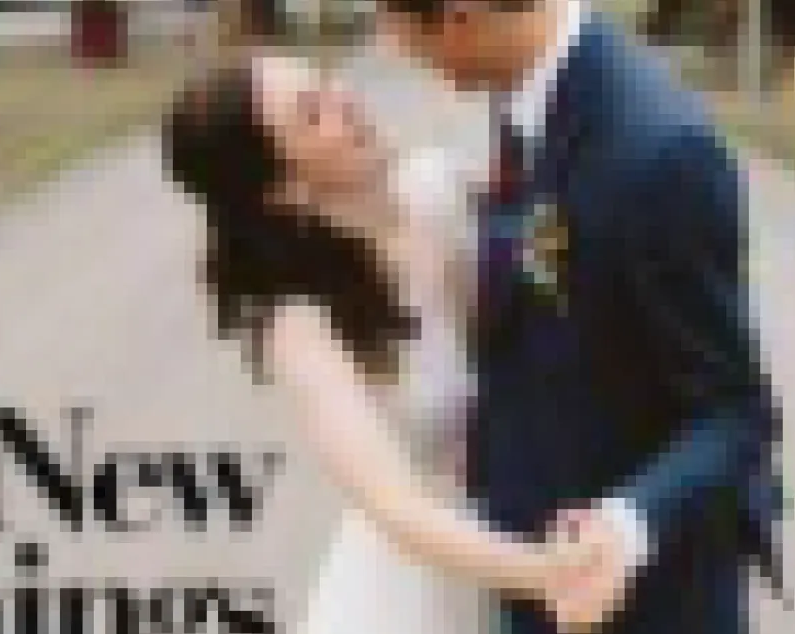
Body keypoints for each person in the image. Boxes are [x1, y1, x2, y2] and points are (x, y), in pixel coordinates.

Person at [363, 0, 789, 631]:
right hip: (534, 564)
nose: (402, 53)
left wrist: (625, 523)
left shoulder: (661, 151)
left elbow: (735, 411)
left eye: (401, 33)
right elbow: (540, 300)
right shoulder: (523, 94)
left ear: (459, 17)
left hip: (642, 601)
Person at [159, 57, 601, 634]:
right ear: (284, 190)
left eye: (326, 84)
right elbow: (395, 506)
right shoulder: (299, 325)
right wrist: (550, 574)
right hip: (423, 588)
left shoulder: (438, 188)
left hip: (525, 520)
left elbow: (551, 243)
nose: (345, 102)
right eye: (313, 114)